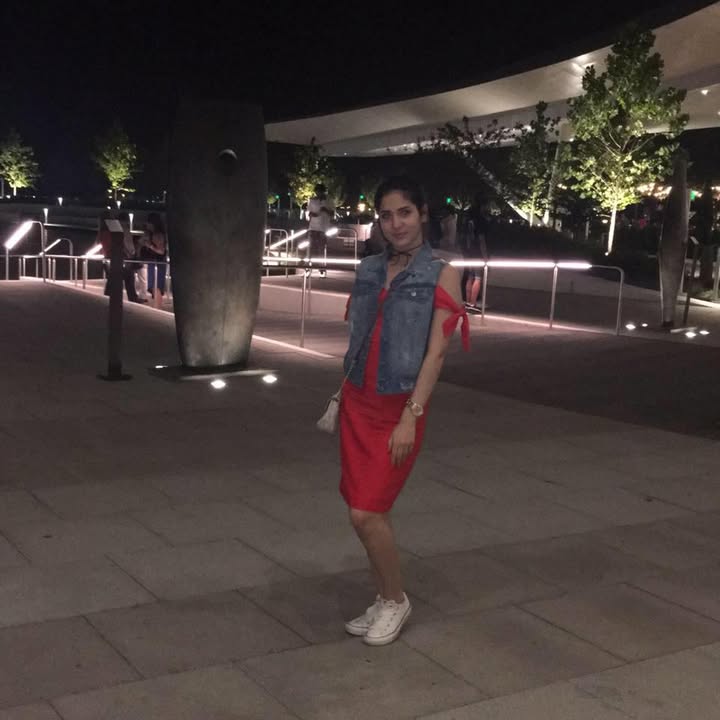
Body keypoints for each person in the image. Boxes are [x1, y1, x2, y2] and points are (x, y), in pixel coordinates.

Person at [340, 176, 469, 646]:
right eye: (386, 215)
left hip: (398, 406)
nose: (395, 224)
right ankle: (382, 597)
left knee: (366, 513)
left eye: (405, 213)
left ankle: (396, 600)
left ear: (423, 214)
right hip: (358, 400)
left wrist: (411, 416)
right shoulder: (369, 267)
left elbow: (437, 352)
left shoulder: (442, 272)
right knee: (363, 510)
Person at [461, 201, 489, 312]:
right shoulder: (479, 222)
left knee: (470, 276)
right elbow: (481, 240)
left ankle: (468, 302)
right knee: (478, 278)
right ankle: (473, 303)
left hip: (468, 252)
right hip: (477, 252)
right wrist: (485, 256)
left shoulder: (467, 221)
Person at [139, 212, 167, 309]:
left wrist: (150, 246)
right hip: (154, 262)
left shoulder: (158, 235)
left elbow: (161, 251)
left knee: (157, 286)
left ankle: (157, 307)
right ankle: (156, 306)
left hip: (157, 263)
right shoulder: (151, 234)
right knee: (154, 286)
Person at [307, 183, 334, 277]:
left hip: (323, 228)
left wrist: (325, 210)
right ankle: (308, 267)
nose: (318, 194)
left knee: (321, 249)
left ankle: (321, 268)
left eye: (320, 192)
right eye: (317, 192)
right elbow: (309, 213)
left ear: (323, 192)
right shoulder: (312, 200)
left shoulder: (329, 201)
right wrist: (313, 214)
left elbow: (332, 214)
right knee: (311, 248)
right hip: (313, 227)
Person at [117, 211, 141, 303]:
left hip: (121, 256)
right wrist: (132, 253)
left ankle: (113, 293)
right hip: (128, 256)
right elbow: (128, 243)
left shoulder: (117, 229)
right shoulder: (125, 230)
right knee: (130, 277)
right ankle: (133, 297)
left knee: (123, 276)